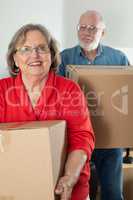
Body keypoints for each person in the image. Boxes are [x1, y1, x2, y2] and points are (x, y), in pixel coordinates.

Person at [0, 23, 95, 200]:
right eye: (26, 49)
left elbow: (82, 138)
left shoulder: (69, 89)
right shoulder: (1, 91)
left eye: (41, 48)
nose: (34, 55)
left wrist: (69, 177)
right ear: (14, 58)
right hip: (14, 189)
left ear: (51, 54)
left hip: (68, 190)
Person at [58, 10, 129, 200]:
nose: (86, 32)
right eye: (82, 27)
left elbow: (128, 97)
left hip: (110, 140)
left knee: (113, 193)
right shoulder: (63, 59)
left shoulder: (118, 58)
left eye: (92, 28)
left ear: (103, 32)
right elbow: (55, 97)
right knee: (81, 194)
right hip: (77, 141)